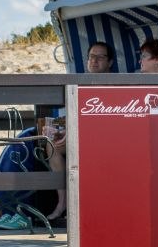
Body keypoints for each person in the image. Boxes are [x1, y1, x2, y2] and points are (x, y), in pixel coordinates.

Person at [42, 41, 116, 221]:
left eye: (100, 57)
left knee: (87, 149)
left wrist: (75, 132)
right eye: (91, 56)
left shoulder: (116, 84)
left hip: (106, 143)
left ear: (110, 62)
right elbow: (72, 115)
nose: (94, 61)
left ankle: (85, 208)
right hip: (80, 137)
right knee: (52, 145)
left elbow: (110, 123)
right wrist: (60, 129)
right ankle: (63, 203)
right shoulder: (79, 84)